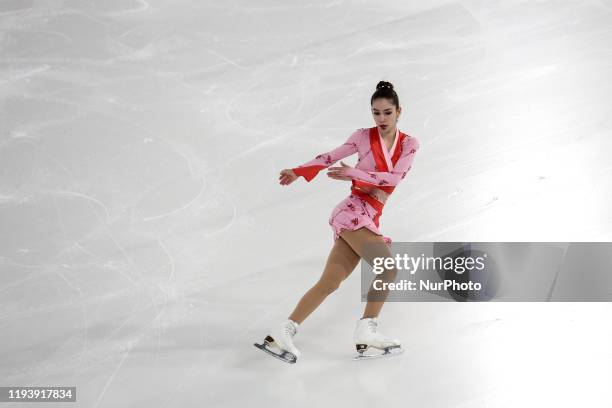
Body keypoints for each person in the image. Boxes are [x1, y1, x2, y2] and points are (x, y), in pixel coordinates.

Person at [257, 81, 420, 363]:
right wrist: (299, 171)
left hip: (369, 215)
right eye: (375, 113)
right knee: (388, 269)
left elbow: (394, 178)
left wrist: (355, 174)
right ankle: (366, 333)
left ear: (398, 112)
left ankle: (282, 332)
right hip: (353, 211)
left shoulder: (409, 144)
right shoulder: (361, 136)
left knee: (330, 282)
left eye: (387, 113)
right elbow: (330, 157)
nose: (381, 119)